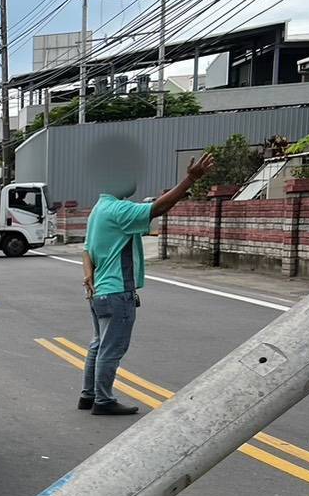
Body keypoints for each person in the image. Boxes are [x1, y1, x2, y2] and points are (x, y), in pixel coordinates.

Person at [78, 151, 216, 415]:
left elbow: (86, 249)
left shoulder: (98, 209)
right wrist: (190, 179)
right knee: (111, 348)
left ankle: (89, 395)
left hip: (100, 291)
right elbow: (157, 209)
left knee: (98, 344)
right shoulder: (118, 210)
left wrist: (88, 277)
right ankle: (103, 401)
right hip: (117, 291)